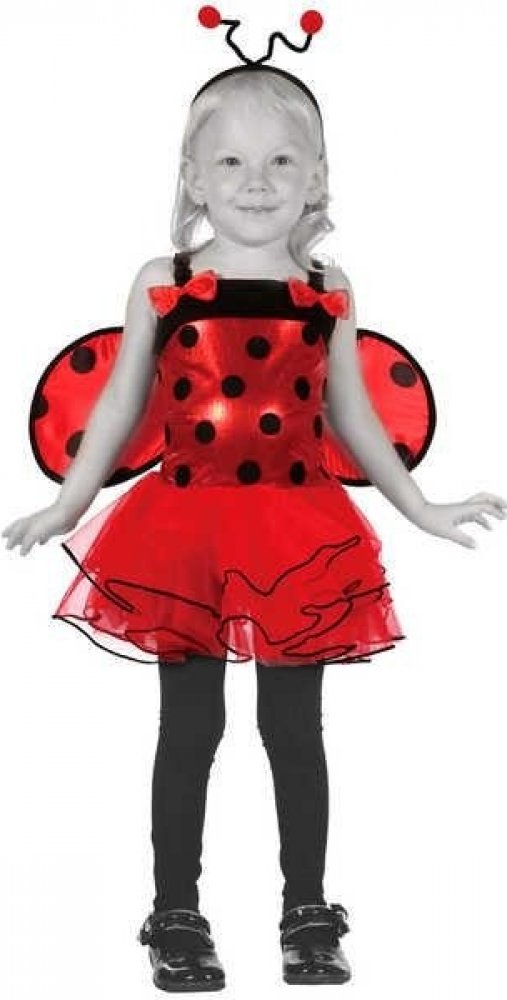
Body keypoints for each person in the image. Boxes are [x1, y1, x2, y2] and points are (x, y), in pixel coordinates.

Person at [3, 60, 506, 995]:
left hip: (297, 534)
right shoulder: (166, 283)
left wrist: (422, 508)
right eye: (230, 161)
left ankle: (306, 910)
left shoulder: (326, 289)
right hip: (180, 534)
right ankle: (175, 915)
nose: (256, 180)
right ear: (192, 178)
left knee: (293, 730)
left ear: (316, 177)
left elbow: (354, 417)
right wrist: (67, 504)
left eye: (281, 160)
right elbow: (120, 405)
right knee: (189, 728)